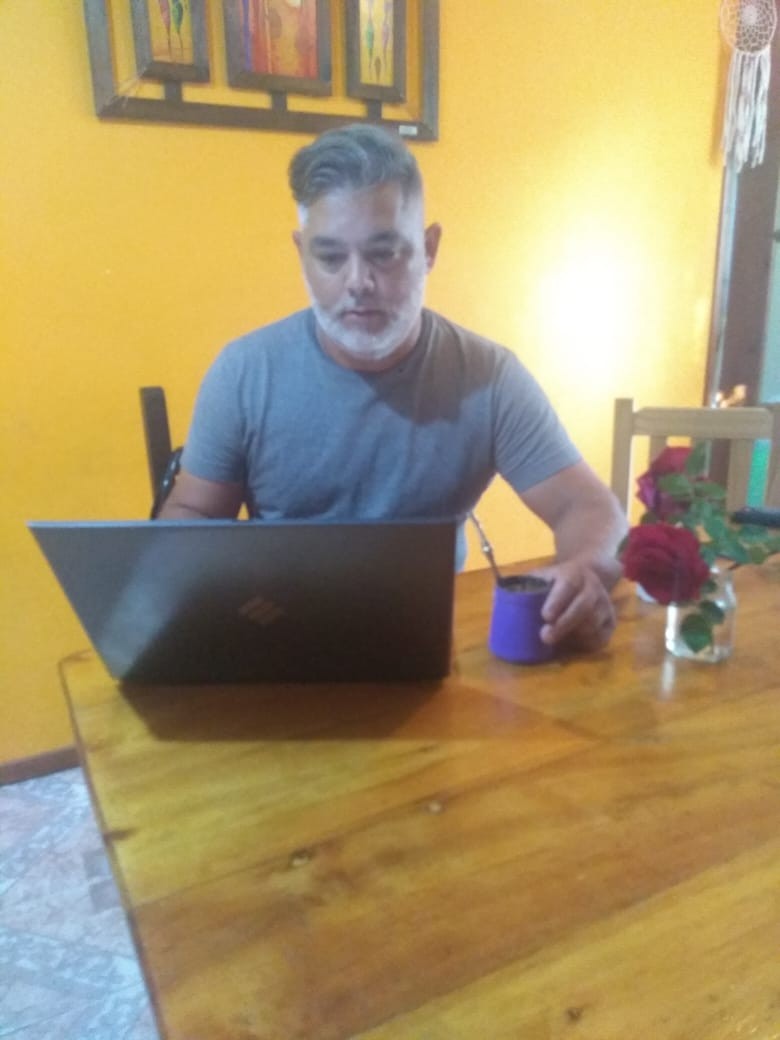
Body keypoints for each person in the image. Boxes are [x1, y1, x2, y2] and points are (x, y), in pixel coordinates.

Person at [159, 123, 627, 651]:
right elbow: (194, 513)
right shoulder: (244, 372)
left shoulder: (490, 378)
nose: (358, 282)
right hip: (275, 638)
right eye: (330, 257)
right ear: (301, 253)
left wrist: (585, 570)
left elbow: (588, 509)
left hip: (427, 644)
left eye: (384, 253)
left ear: (429, 249)